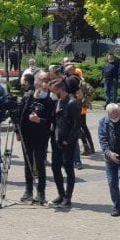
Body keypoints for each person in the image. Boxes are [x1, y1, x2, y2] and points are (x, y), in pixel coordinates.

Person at [18, 73, 54, 205]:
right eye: (41, 80)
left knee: (39, 164)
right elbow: (21, 113)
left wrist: (39, 120)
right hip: (26, 135)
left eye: (47, 81)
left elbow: (51, 121)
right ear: (37, 82)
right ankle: (28, 190)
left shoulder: (50, 100)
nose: (43, 83)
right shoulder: (28, 96)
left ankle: (41, 192)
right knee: (27, 163)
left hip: (41, 136)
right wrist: (18, 131)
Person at [98, 103, 120, 219]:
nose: (116, 115)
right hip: (111, 157)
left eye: (118, 113)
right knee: (112, 182)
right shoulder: (103, 121)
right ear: (108, 113)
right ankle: (117, 207)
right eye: (113, 114)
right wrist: (109, 154)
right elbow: (103, 140)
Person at [50, 77, 80, 210]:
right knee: (55, 167)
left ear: (61, 89)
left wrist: (69, 139)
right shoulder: (58, 102)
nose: (52, 93)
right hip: (57, 140)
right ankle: (61, 194)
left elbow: (77, 124)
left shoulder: (72, 103)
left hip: (68, 142)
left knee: (68, 169)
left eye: (54, 91)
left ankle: (68, 196)